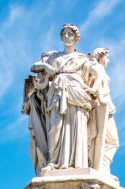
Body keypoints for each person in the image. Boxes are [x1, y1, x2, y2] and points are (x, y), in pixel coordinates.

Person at [28, 24, 95, 171]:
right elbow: (33, 67)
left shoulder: (83, 59)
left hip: (77, 93)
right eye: (64, 34)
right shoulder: (54, 57)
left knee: (76, 125)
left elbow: (94, 78)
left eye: (70, 34)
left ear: (76, 38)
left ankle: (79, 162)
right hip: (57, 92)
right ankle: (54, 161)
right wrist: (45, 67)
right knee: (55, 126)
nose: (66, 36)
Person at [87, 48, 120, 175]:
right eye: (107, 57)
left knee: (106, 139)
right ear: (101, 57)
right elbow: (97, 85)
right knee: (112, 141)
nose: (108, 60)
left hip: (105, 107)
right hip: (102, 106)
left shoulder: (96, 68)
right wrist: (95, 93)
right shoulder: (97, 68)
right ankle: (102, 166)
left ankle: (102, 164)